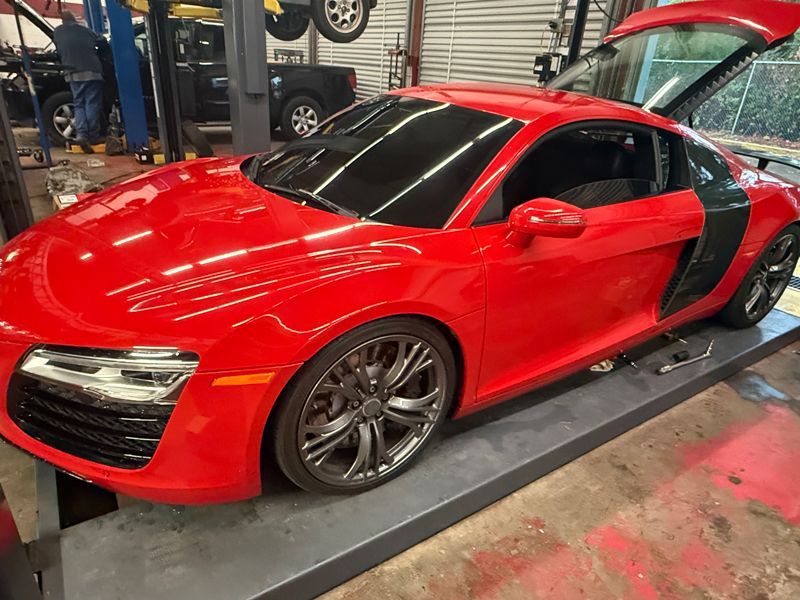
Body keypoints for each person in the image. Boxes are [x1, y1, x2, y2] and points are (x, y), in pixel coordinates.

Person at [52, 11, 104, 153]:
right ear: (74, 18)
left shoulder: (57, 32)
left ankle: (81, 135)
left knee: (79, 103)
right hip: (91, 70)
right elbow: (101, 41)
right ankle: (93, 135)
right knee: (92, 103)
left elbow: (58, 49)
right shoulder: (85, 30)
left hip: (71, 72)